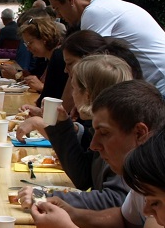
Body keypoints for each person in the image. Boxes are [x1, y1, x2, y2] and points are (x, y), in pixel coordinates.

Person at [29, 80, 165, 228]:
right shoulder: (143, 170)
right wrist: (71, 214)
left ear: (140, 132)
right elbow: (124, 224)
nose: (93, 145)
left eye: (104, 133)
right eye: (94, 132)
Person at [45, 0, 165, 118]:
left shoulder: (94, 13)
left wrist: (59, 114)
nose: (58, 15)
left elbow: (84, 68)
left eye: (57, 8)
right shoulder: (104, 5)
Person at [16, 54, 132, 210]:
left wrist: (45, 197)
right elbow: (83, 178)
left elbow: (115, 200)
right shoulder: (105, 128)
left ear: (88, 95)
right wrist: (62, 126)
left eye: (74, 88)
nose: (71, 94)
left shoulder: (122, 136)